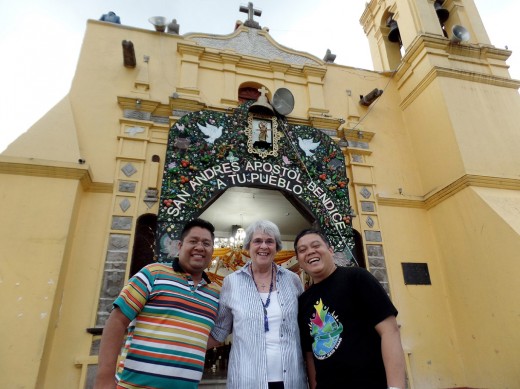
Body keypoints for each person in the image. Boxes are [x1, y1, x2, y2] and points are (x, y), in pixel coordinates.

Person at [94, 218, 219, 389]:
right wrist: (104, 379)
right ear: (180, 246)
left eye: (206, 243)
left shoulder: (215, 294)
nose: (200, 247)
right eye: (193, 241)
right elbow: (117, 321)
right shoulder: (153, 273)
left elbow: (205, 337)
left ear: (212, 251)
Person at [294, 229, 406, 389]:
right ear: (299, 261)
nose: (310, 251)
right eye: (302, 250)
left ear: (330, 250)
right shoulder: (304, 301)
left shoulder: (357, 278)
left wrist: (395, 387)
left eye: (316, 245)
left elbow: (390, 331)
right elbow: (310, 355)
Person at [209, 220, 307, 389]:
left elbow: (305, 328)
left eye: (270, 241)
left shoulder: (293, 280)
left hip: (292, 379)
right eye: (257, 241)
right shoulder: (232, 282)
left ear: (276, 247)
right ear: (248, 246)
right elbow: (220, 330)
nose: (264, 246)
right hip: (247, 379)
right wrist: (183, 347)